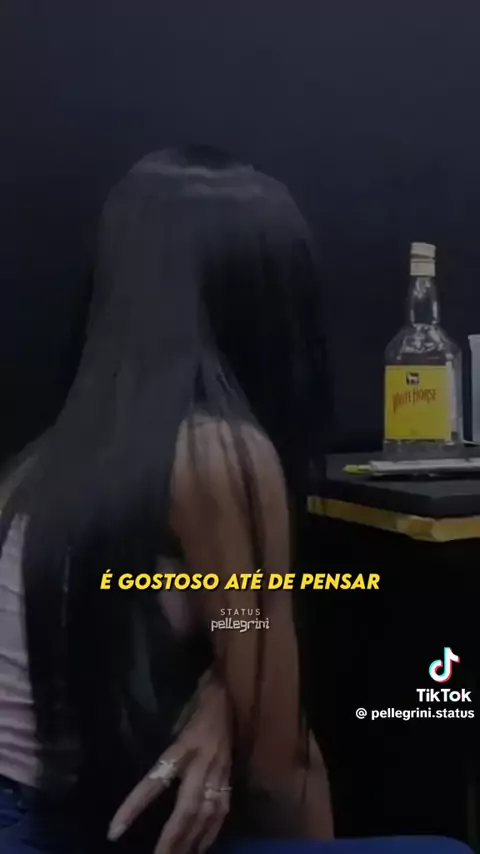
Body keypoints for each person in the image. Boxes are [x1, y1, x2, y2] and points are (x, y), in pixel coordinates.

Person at [0, 146, 333, 853]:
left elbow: (207, 633)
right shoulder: (216, 454)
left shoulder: (51, 459)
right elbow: (283, 770)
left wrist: (224, 699)